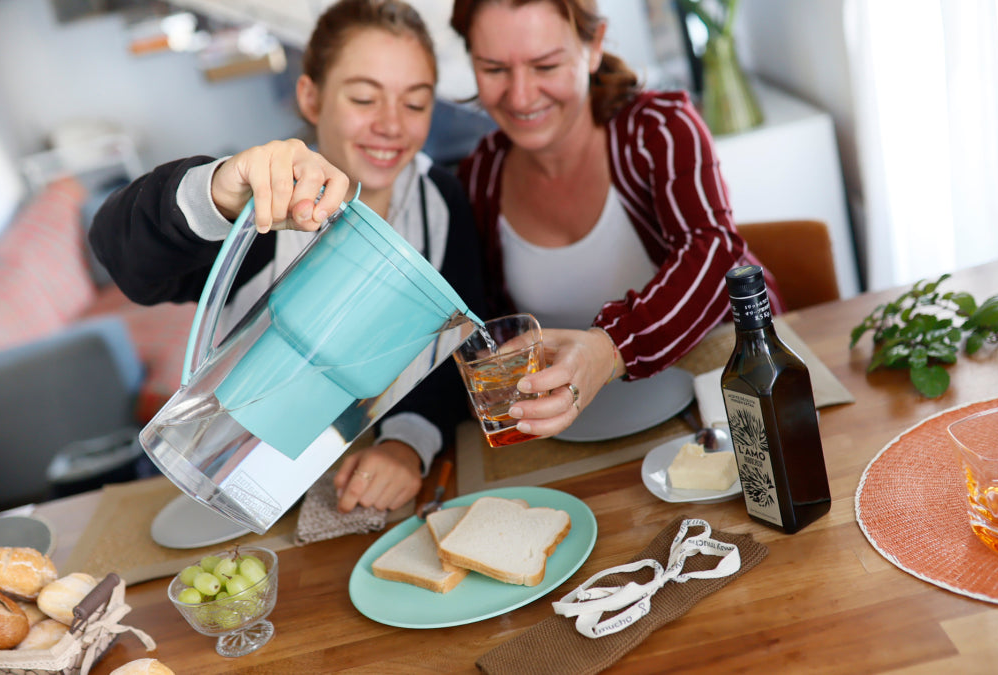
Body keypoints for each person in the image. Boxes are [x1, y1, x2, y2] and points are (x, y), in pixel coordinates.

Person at [90, 0, 486, 514]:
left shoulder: (442, 201)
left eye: (415, 103)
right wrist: (218, 193)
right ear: (311, 97)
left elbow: (451, 355)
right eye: (365, 97)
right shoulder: (263, 201)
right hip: (223, 481)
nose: (392, 124)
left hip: (371, 497)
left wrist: (407, 442)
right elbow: (122, 254)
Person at [449, 0, 784, 439]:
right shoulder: (480, 177)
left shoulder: (660, 130)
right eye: (493, 69)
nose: (521, 95)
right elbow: (485, 325)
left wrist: (607, 350)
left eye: (546, 66)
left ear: (593, 47)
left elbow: (716, 254)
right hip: (580, 437)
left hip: (725, 406)